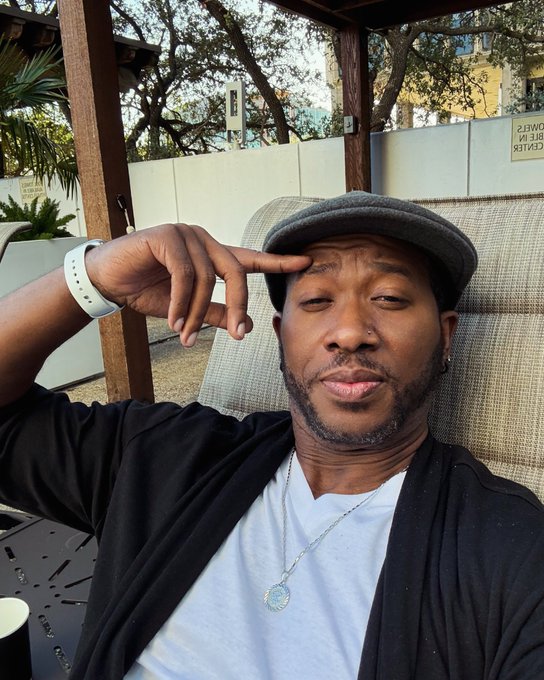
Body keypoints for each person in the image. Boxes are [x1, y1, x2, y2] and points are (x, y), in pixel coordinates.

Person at [0, 191, 543, 680]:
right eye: (317, 301)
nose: (349, 333)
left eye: (390, 298)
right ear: (281, 336)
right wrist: (90, 278)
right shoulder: (169, 456)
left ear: (445, 337)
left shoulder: (509, 546)